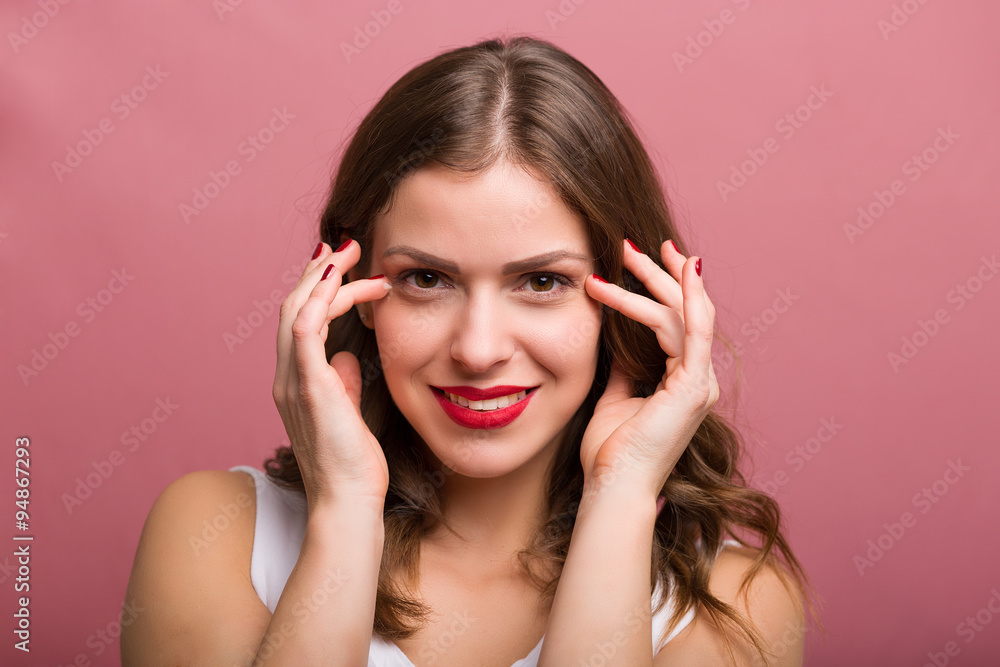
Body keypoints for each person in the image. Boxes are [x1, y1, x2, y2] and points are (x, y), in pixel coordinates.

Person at [122, 35, 820, 666]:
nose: (480, 349)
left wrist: (623, 493)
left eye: (542, 281)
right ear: (348, 289)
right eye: (426, 279)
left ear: (634, 299)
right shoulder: (213, 536)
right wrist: (343, 511)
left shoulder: (739, 606)